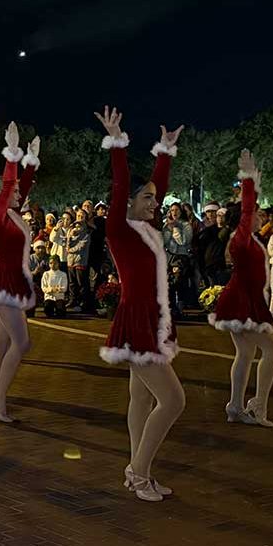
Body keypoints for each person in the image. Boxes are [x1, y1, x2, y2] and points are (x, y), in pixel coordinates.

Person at [95, 105, 185, 503]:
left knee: (142, 397)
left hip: (152, 319)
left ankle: (138, 470)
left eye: (155, 198)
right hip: (135, 322)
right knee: (173, 400)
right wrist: (117, 142)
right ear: (129, 203)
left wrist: (164, 153)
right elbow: (121, 185)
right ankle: (138, 471)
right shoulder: (119, 228)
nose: (155, 202)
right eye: (146, 198)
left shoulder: (147, 228)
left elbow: (156, 188)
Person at [209, 149, 273, 427]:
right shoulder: (241, 237)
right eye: (257, 213)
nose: (260, 215)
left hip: (243, 300)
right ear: (244, 217)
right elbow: (249, 205)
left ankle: (236, 405)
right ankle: (258, 406)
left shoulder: (247, 238)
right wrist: (248, 178)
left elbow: (250, 206)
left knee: (247, 353)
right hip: (243, 301)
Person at [0, 122, 41, 423]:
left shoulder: (14, 212)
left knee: (1, 344)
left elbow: (20, 187)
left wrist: (29, 162)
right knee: (22, 343)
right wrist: (12, 155)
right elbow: (8, 186)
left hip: (15, 281)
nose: (19, 193)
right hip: (3, 282)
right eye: (14, 191)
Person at [196, 201, 228, 287]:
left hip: (219, 264)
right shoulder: (202, 227)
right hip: (206, 264)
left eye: (213, 211)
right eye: (208, 211)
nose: (210, 214)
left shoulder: (224, 229)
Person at [66, 209, 92, 311]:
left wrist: (69, 250)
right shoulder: (71, 231)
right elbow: (67, 243)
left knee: (81, 282)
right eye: (78, 216)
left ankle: (83, 302)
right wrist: (71, 236)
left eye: (82, 216)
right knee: (72, 283)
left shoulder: (86, 233)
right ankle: (72, 300)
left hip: (80, 260)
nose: (79, 218)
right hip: (70, 261)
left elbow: (81, 246)